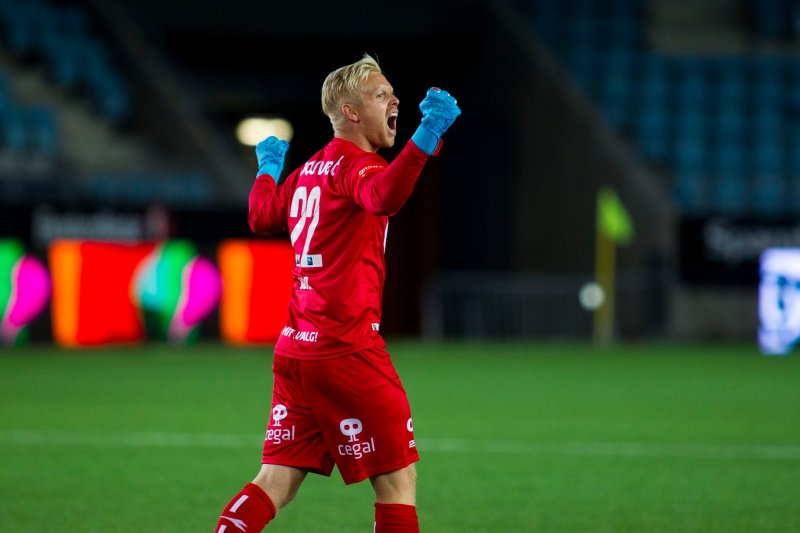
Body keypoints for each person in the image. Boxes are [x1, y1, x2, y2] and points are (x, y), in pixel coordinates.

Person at [214, 53, 460, 532]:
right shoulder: (355, 167)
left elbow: (262, 215)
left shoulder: (309, 170)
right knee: (397, 480)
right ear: (350, 112)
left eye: (392, 92)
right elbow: (384, 196)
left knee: (276, 479)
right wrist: (425, 138)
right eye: (380, 95)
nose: (395, 100)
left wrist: (268, 166)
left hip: (296, 351)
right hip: (346, 349)